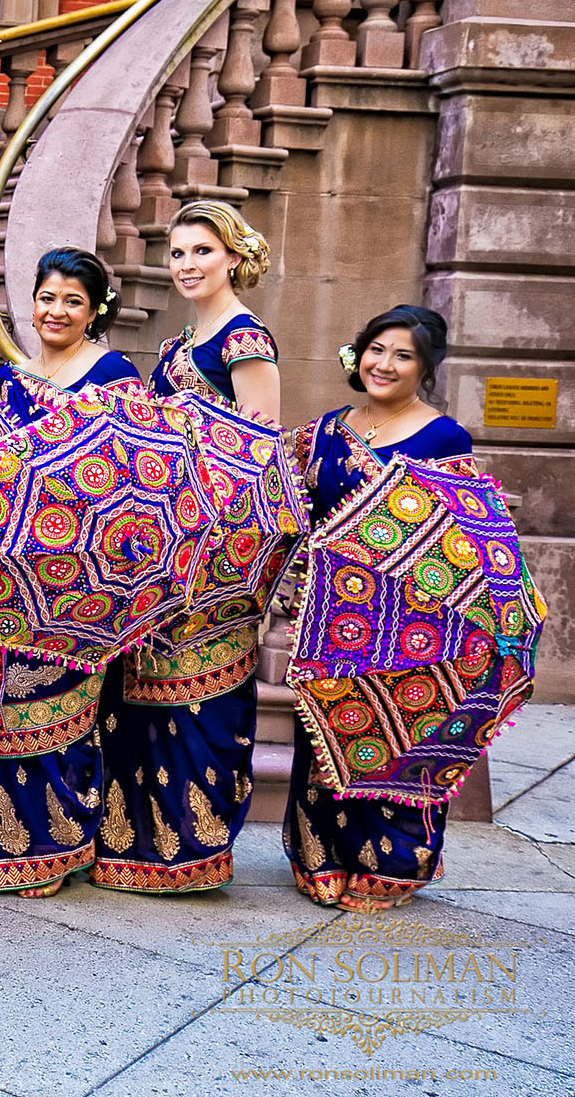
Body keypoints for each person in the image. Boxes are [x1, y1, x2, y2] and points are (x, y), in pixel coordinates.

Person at [0, 246, 141, 896]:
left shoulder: (112, 378)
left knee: (58, 716)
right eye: (47, 298)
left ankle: (53, 849)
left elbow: (133, 478)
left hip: (75, 580)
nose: (56, 311)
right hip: (1, 577)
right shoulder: (7, 381)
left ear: (94, 311)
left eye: (72, 301)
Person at [93, 202, 278, 894]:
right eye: (177, 254)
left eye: (201, 251)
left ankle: (190, 852)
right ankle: (132, 846)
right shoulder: (175, 347)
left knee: (199, 710)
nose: (187, 266)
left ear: (233, 256)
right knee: (142, 704)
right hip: (165, 557)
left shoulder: (244, 342)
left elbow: (260, 451)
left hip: (221, 558)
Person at [283, 306, 475, 911]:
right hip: (325, 615)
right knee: (322, 736)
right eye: (376, 349)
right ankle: (321, 853)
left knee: (393, 737)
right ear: (357, 352)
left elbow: (463, 539)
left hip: (410, 620)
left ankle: (392, 861)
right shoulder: (323, 432)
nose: (384, 365)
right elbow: (290, 517)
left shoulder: (443, 438)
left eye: (403, 356)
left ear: (424, 368)